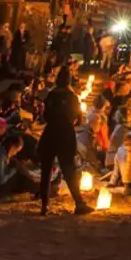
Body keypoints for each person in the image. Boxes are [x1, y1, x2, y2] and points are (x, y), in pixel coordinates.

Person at [37, 66, 90, 216]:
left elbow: (45, 116)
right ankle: (79, 203)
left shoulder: (51, 96)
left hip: (50, 132)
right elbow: (78, 118)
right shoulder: (71, 97)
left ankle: (44, 206)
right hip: (65, 134)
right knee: (68, 169)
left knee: (45, 171)